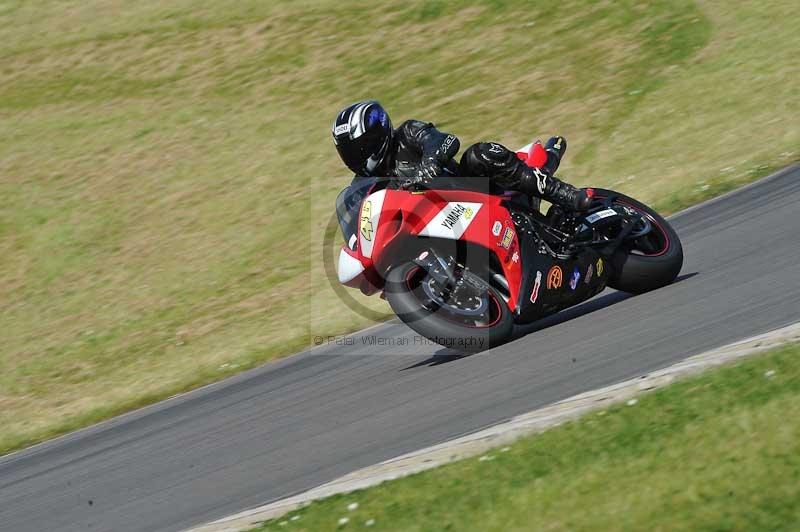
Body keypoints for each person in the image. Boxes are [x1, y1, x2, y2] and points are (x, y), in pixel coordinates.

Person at [332, 100, 592, 212]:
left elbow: (445, 140)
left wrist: (430, 164)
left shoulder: (408, 133)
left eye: (360, 146)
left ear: (377, 135)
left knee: (478, 155)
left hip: (475, 193)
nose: (357, 155)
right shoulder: (361, 188)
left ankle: (567, 195)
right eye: (349, 151)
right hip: (434, 224)